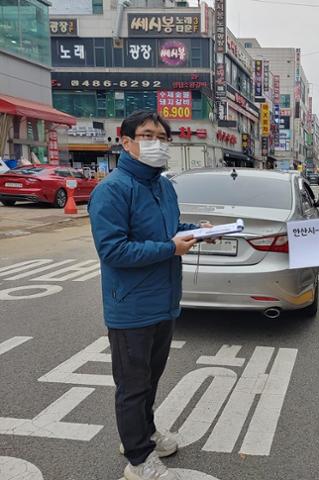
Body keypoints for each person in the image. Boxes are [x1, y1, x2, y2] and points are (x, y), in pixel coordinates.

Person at [89, 111, 207, 480]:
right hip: (131, 307)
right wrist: (170, 249)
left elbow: (170, 230)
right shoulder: (112, 189)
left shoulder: (163, 185)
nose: (157, 143)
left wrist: (200, 232)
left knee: (151, 379)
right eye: (147, 135)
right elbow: (113, 251)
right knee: (132, 385)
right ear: (126, 141)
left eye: (162, 137)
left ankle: (144, 434)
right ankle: (138, 460)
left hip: (163, 302)